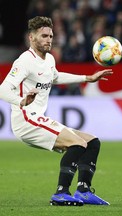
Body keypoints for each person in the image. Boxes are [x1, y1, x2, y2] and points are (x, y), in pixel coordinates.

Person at [0, 16, 113, 206]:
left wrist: (88, 78)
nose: (48, 40)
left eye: (51, 36)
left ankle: (83, 190)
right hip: (26, 119)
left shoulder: (49, 59)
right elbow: (3, 88)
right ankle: (61, 193)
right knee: (77, 144)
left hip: (38, 118)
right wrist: (21, 101)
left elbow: (56, 77)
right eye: (43, 36)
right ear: (31, 37)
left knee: (92, 142)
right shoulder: (24, 61)